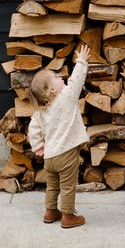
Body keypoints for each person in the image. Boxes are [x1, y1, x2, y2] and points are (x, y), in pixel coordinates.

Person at [28, 44, 90, 229]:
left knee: (52, 186)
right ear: (52, 91)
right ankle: (68, 216)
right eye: (56, 77)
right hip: (66, 153)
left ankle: (50, 212)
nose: (60, 77)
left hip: (50, 156)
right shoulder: (67, 97)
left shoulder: (41, 110)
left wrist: (38, 146)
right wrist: (81, 62)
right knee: (68, 186)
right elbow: (76, 81)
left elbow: (33, 128)